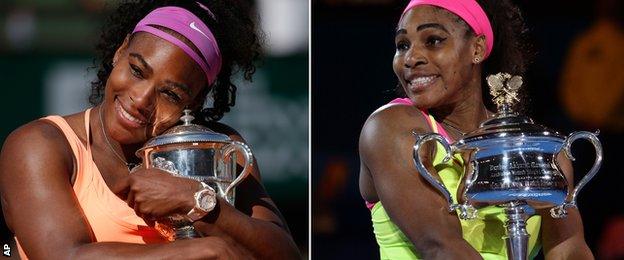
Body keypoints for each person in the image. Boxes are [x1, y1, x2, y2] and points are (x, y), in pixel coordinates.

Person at [0, 1, 300, 259]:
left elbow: (285, 253)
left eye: (170, 94)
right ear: (120, 51)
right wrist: (202, 251)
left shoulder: (219, 148)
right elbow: (64, 256)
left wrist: (195, 201)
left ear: (195, 101)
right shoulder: (39, 145)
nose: (141, 100)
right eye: (137, 70)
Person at [358, 0, 594, 259]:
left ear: (477, 49)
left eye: (433, 40)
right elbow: (442, 247)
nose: (411, 58)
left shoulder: (535, 146)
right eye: (402, 45)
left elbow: (569, 248)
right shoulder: (388, 128)